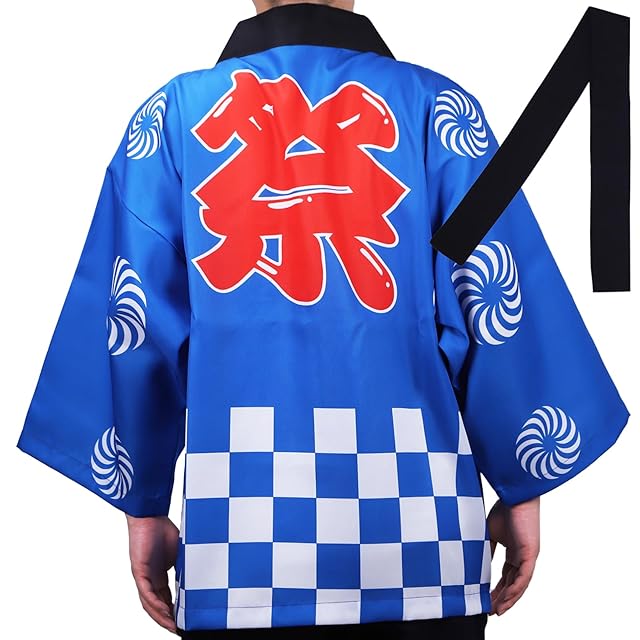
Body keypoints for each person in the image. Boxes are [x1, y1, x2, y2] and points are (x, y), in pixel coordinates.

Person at [16, 1, 630, 638]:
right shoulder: (438, 113)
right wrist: (521, 488)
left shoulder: (171, 121)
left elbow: (134, 325)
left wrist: (143, 505)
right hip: (424, 552)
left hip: (239, 560)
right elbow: (498, 305)